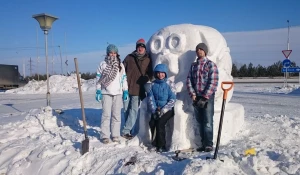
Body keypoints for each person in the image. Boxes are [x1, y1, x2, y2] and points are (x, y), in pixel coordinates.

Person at [186, 43, 219, 152]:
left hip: (207, 97)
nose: (199, 51)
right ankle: (202, 143)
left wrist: (205, 97)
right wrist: (193, 94)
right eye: (197, 49)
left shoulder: (210, 65)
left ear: (205, 51)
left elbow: (213, 82)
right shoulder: (193, 66)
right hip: (196, 97)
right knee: (199, 121)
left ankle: (208, 144)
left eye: (201, 49)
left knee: (208, 121)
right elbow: (189, 80)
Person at [95, 44, 129, 144]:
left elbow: (123, 78)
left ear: (117, 53)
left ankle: (115, 135)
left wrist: (125, 90)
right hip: (106, 92)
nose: (113, 55)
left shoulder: (120, 65)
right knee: (106, 115)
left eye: (114, 53)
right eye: (111, 52)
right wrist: (98, 91)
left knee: (116, 115)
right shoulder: (103, 64)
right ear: (107, 53)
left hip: (118, 93)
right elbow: (98, 78)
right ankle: (105, 135)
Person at [121, 38, 153, 139]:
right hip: (126, 88)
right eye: (139, 46)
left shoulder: (148, 59)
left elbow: (151, 73)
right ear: (136, 48)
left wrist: (146, 78)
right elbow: (121, 70)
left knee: (133, 110)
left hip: (138, 89)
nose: (140, 48)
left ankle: (126, 131)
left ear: (144, 48)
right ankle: (128, 129)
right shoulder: (129, 57)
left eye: (142, 47)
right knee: (126, 109)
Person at [148, 64, 176, 152]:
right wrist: (154, 110)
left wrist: (163, 110)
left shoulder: (170, 84)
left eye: (162, 73)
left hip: (168, 109)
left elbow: (172, 99)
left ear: (165, 74)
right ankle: (154, 143)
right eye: (158, 73)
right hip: (156, 109)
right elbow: (150, 98)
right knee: (152, 122)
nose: (160, 75)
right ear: (156, 74)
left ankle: (162, 145)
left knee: (160, 123)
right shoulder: (152, 85)